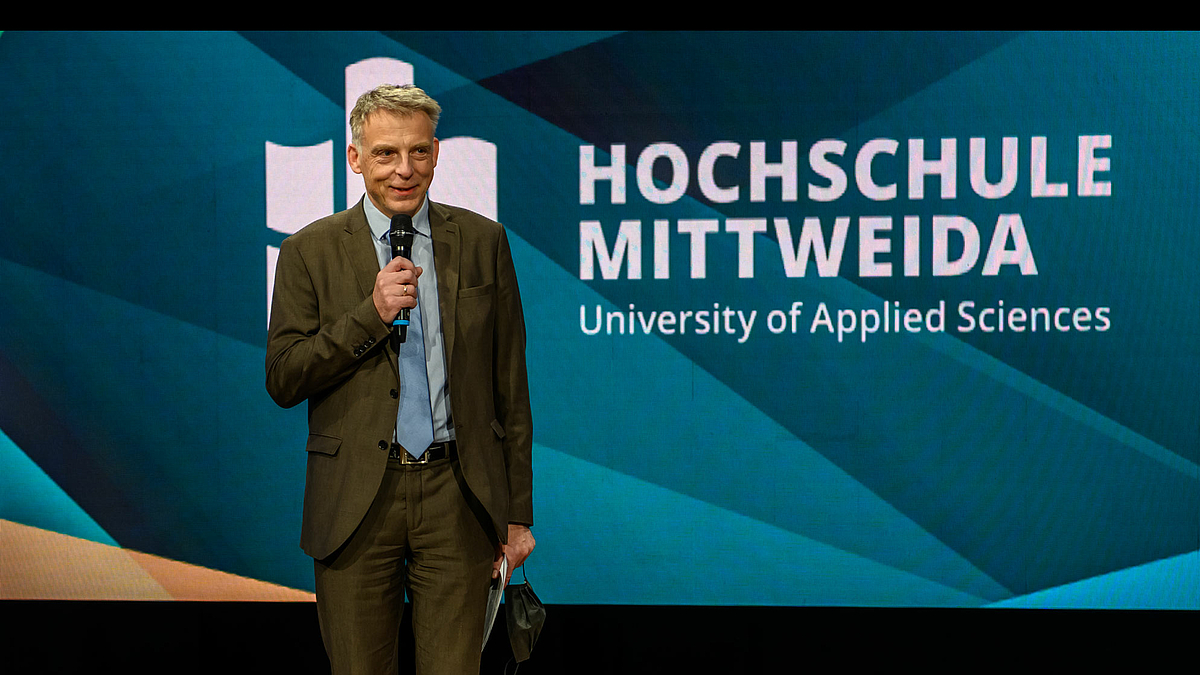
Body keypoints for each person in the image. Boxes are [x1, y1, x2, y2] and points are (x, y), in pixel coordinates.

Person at [266, 84, 534, 675]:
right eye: (386, 153)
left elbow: (509, 388)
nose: (403, 170)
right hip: (356, 501)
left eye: (417, 152)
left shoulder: (483, 242)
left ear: (437, 153)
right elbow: (284, 378)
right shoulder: (308, 251)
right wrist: (371, 315)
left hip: (457, 496)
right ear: (356, 158)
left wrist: (517, 516)